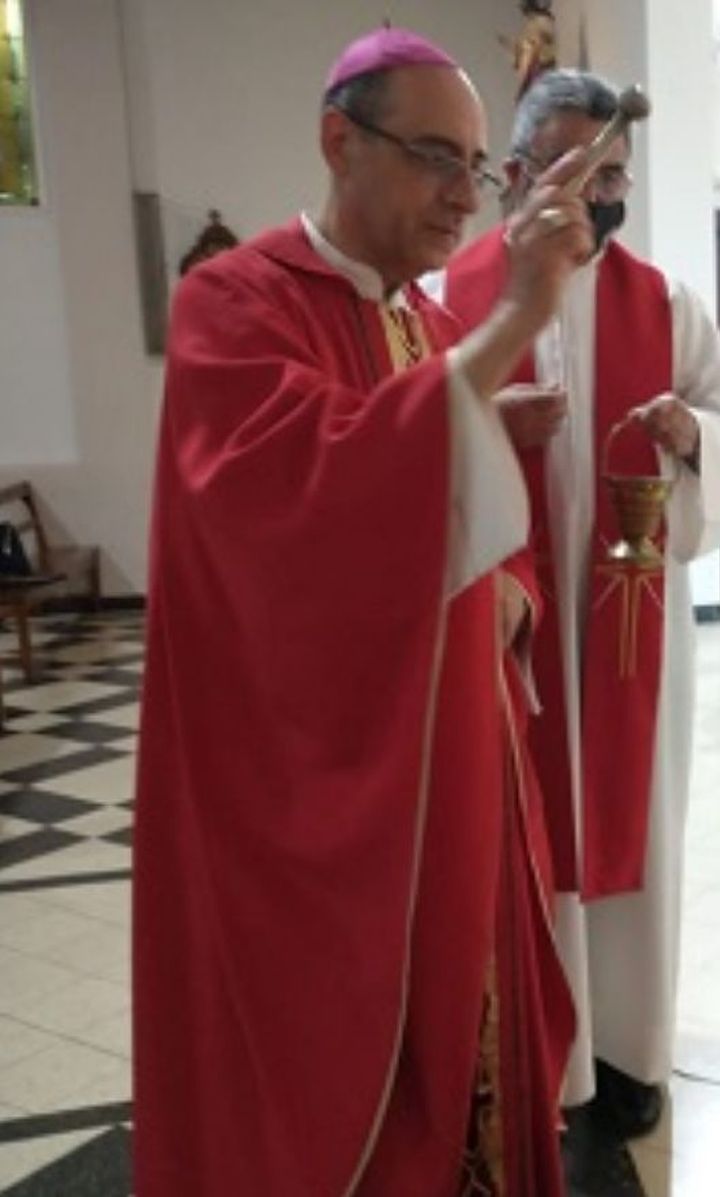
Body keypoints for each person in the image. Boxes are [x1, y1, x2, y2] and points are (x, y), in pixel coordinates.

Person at [133, 28, 594, 1196]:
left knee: (469, 1038)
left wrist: (512, 601)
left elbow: (496, 559)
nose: (464, 196)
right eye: (436, 156)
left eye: (479, 168)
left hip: (460, 777)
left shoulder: (431, 331)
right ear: (340, 140)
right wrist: (512, 326)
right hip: (324, 805)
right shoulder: (232, 303)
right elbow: (291, 511)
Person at [439, 70, 720, 1153]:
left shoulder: (663, 301)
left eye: (617, 171)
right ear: (523, 173)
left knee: (637, 831)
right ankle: (544, 1064)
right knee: (520, 833)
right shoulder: (453, 289)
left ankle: (626, 1057)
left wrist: (690, 434)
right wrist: (491, 426)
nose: (605, 191)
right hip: (511, 624)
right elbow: (405, 435)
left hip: (629, 624)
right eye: (585, 168)